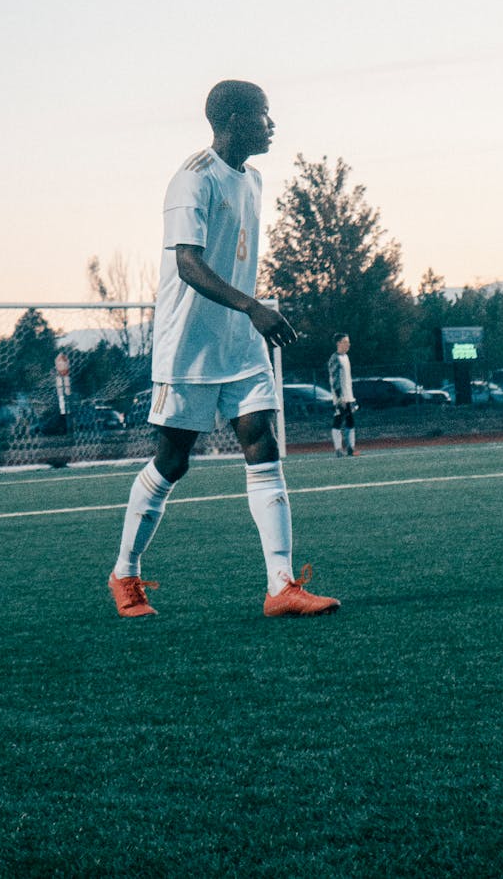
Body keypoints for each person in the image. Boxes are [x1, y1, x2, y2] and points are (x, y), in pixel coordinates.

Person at [108, 80, 340, 620]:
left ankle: (281, 586)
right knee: (173, 461)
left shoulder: (254, 180)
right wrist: (253, 307)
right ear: (233, 119)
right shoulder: (192, 179)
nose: (272, 123)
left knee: (262, 444)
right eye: (263, 114)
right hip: (187, 346)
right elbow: (188, 264)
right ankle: (125, 573)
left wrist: (248, 318)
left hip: (239, 345)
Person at [327, 332, 358, 456]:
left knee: (350, 421)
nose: (348, 344)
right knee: (338, 421)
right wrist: (340, 397)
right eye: (345, 342)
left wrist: (351, 396)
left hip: (349, 396)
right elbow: (334, 379)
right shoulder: (335, 358)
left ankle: (351, 448)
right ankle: (338, 449)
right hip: (341, 398)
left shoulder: (346, 357)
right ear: (338, 343)